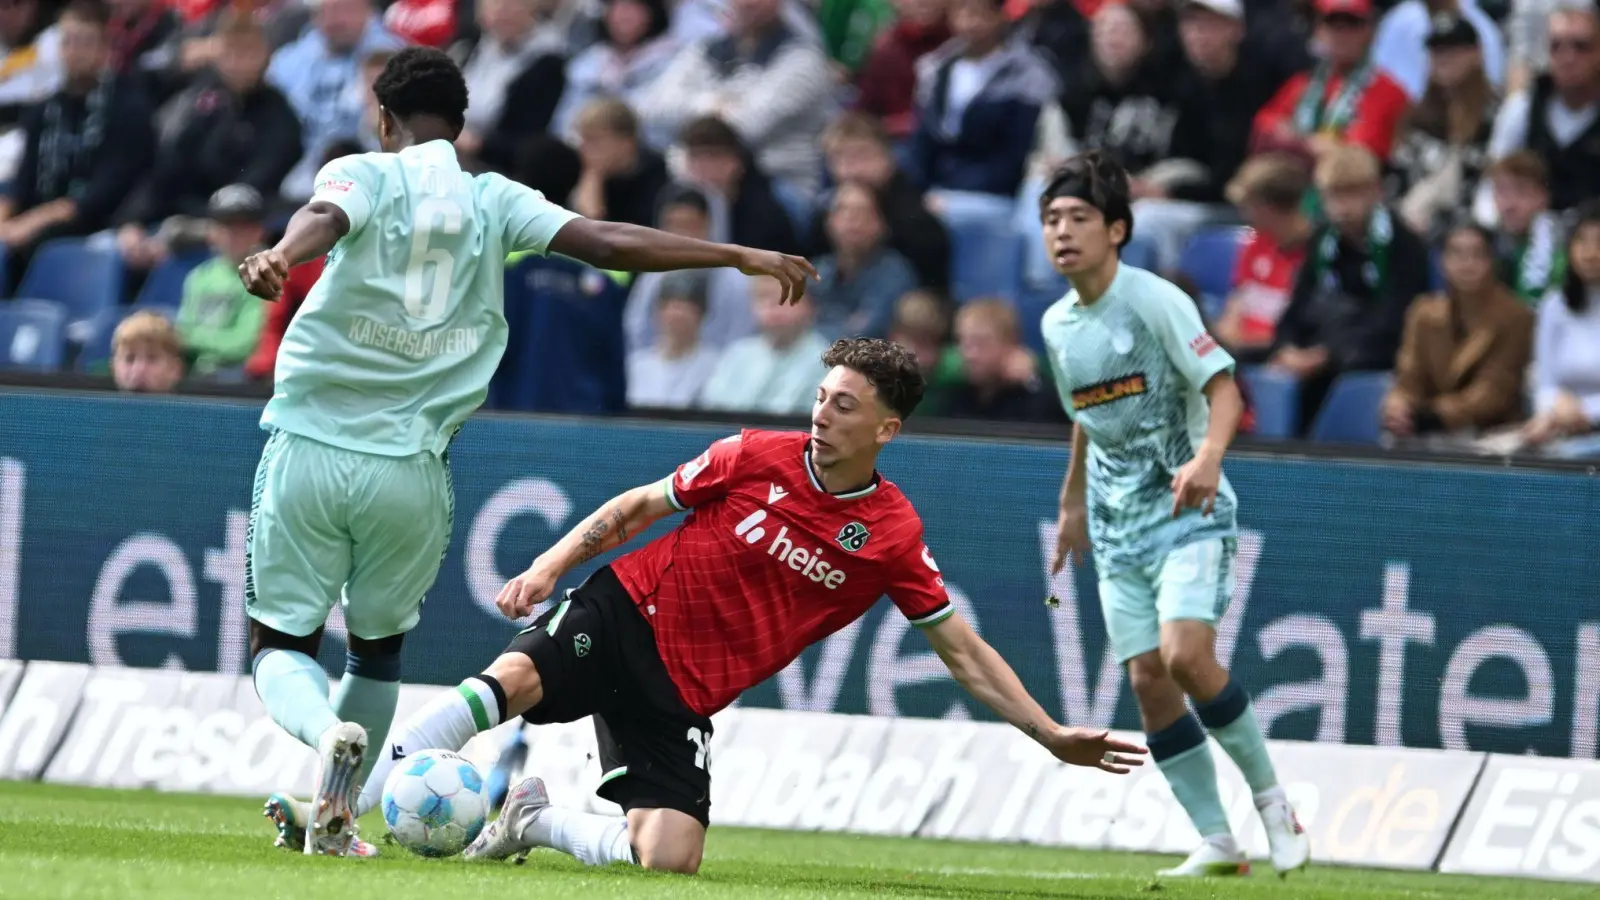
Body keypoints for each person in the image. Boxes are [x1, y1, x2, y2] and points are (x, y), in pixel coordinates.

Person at [234, 46, 817, 858]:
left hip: (311, 446)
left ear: (383, 118)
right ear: (462, 125)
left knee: (279, 646)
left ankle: (328, 737)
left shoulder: (360, 172)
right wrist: (734, 253)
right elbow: (608, 242)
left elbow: (322, 220)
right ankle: (336, 821)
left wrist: (279, 256)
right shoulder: (492, 197)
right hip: (413, 470)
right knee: (376, 649)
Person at [278, 337, 1148, 873]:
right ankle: (336, 803)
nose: (822, 416)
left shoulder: (889, 533)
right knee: (508, 680)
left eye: (845, 408)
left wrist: (1048, 733)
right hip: (627, 609)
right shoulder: (753, 456)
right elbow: (636, 510)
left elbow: (963, 650)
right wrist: (551, 565)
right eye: (820, 397)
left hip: (687, 691)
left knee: (671, 859)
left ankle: (532, 820)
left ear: (887, 429)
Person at [1036, 150, 1311, 878]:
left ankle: (1274, 803)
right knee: (1147, 681)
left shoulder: (1154, 298)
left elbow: (1222, 385)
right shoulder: (1058, 325)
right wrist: (1071, 505)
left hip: (1189, 503)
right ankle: (1218, 840)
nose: (1062, 232)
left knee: (1188, 656)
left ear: (1118, 230)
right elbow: (1085, 417)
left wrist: (1211, 457)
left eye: (1079, 219)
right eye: (1052, 220)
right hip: (1116, 522)